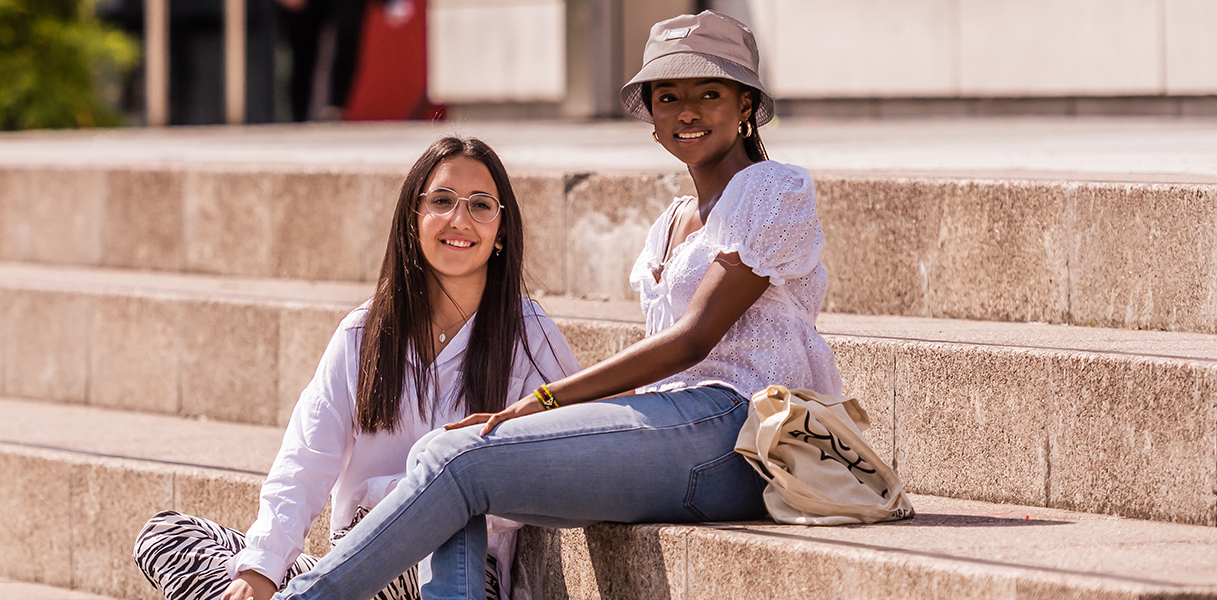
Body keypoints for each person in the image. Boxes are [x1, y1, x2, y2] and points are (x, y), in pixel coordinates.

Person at [269, 11, 841, 600]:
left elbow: (693, 341)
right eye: (668, 96)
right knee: (454, 458)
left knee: (456, 456)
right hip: (673, 433)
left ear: (746, 104)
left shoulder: (772, 190)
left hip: (739, 432)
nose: (687, 111)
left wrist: (536, 405)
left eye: (709, 93)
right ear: (651, 116)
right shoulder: (671, 223)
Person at [132, 136, 582, 600]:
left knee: (439, 525)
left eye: (481, 205)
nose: (459, 219)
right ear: (413, 219)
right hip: (351, 559)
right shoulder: (364, 333)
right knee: (166, 535)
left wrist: (419, 498)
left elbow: (569, 454)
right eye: (442, 201)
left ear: (501, 230)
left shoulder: (528, 334)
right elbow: (305, 460)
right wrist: (261, 571)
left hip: (453, 563)